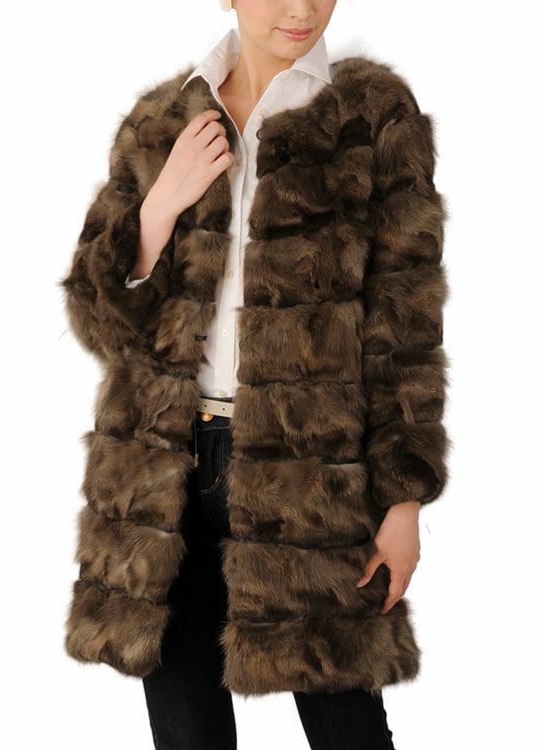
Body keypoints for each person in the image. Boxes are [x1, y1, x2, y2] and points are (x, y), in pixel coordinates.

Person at [59, 1, 449, 749]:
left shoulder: (371, 116)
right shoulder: (164, 120)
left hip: (310, 477)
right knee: (188, 735)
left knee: (347, 728)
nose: (301, 9)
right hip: (162, 471)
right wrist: (161, 205)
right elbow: (98, 316)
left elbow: (405, 327)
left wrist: (404, 502)